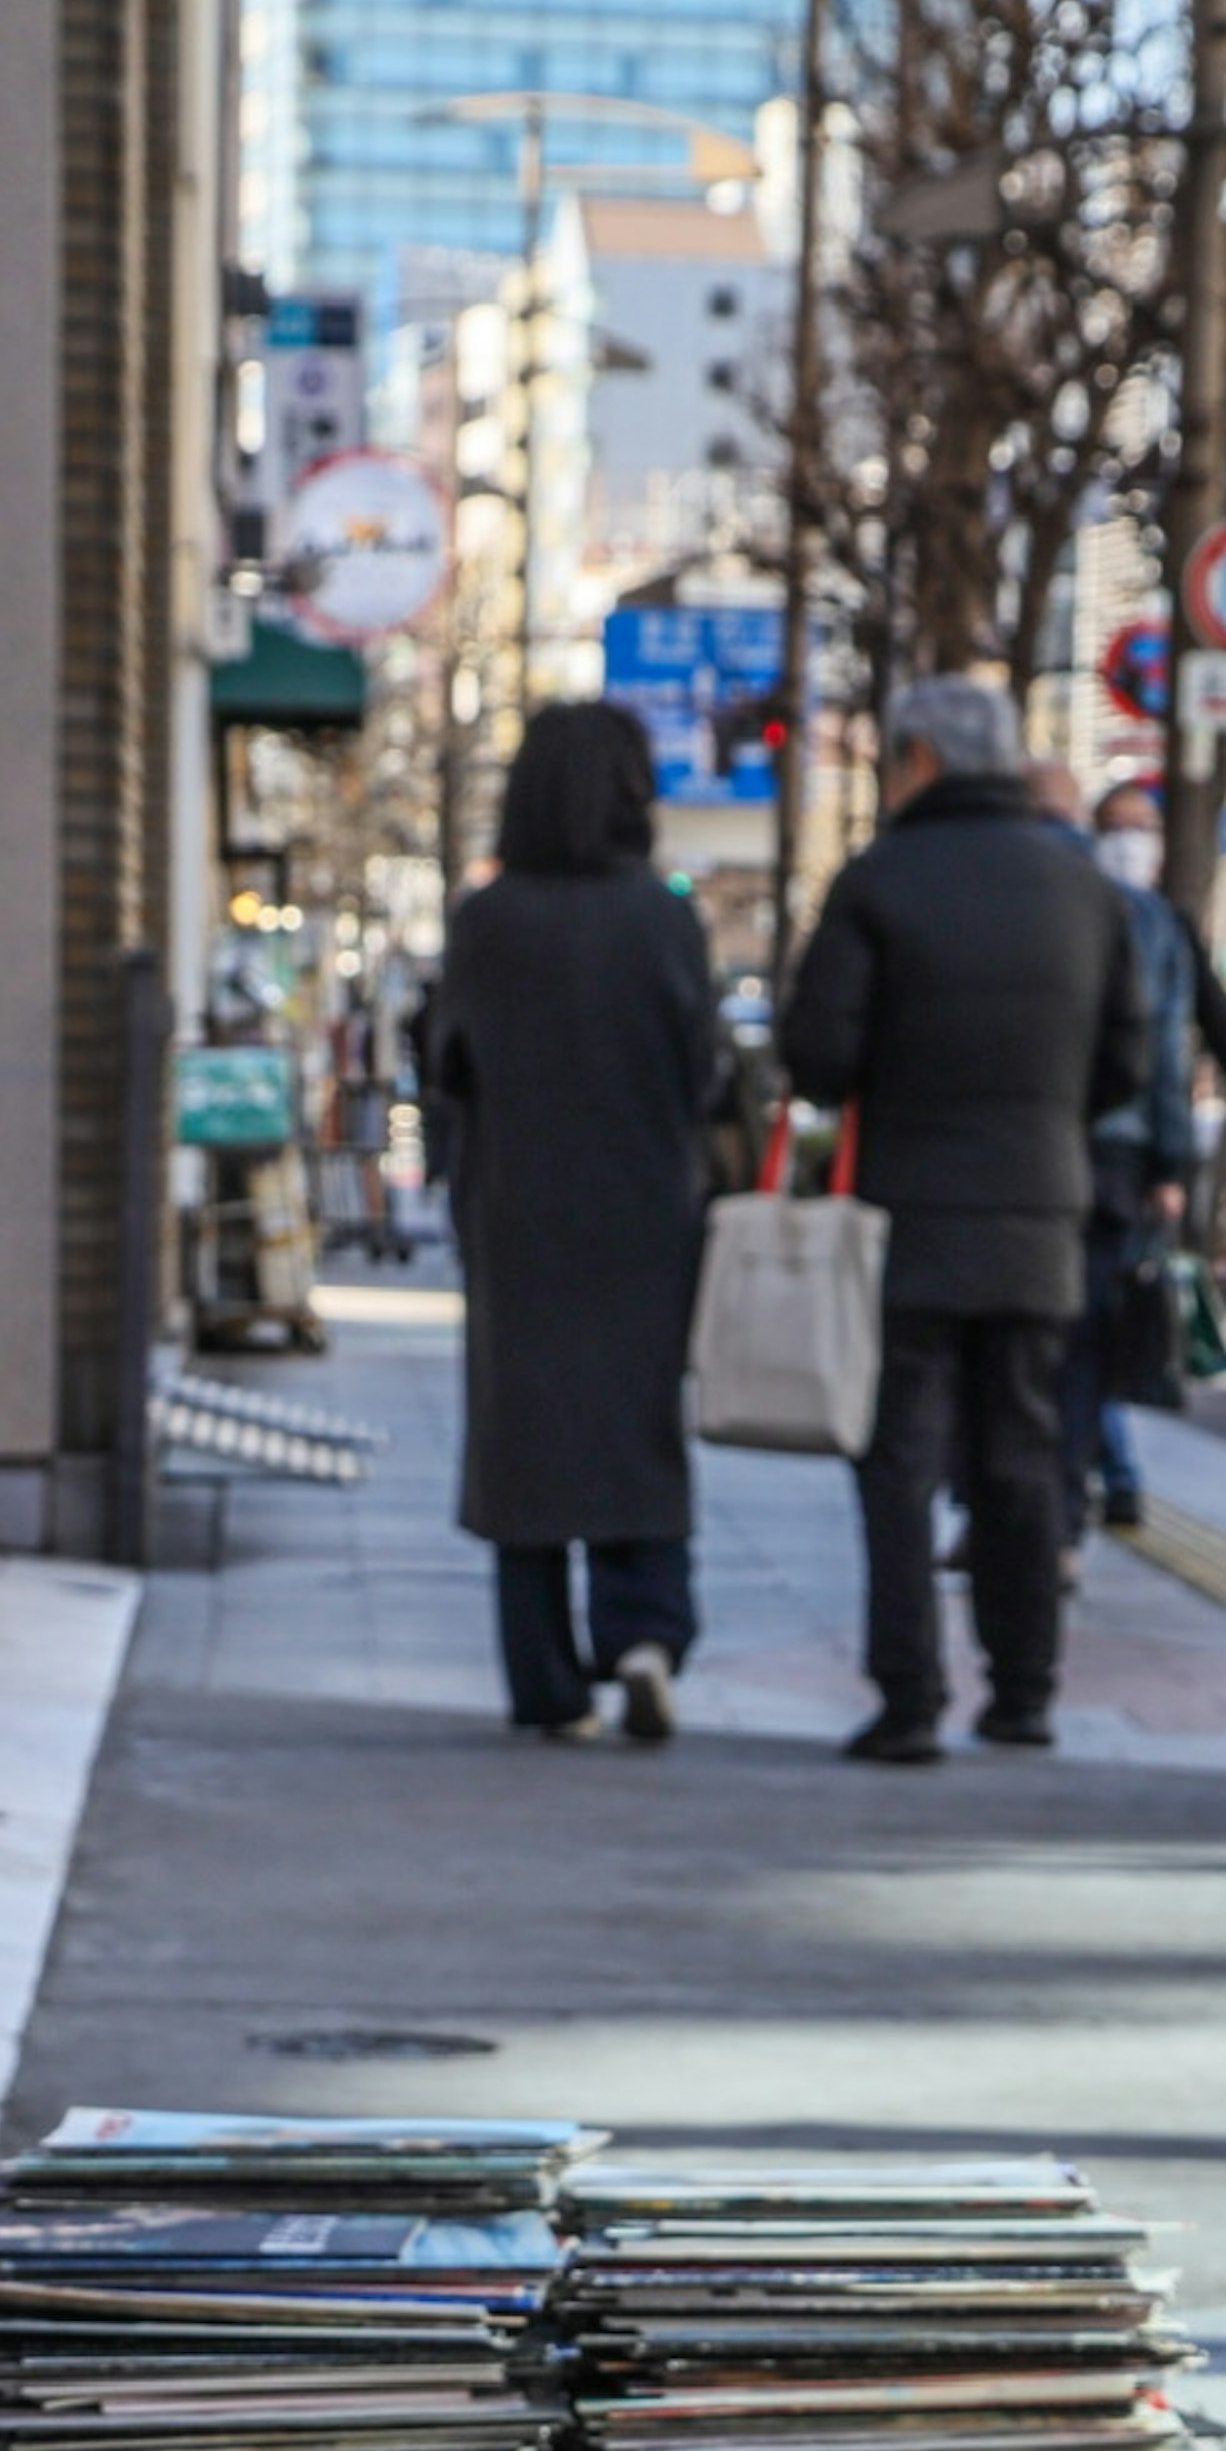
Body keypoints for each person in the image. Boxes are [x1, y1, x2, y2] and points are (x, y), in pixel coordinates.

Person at [780, 673, 1144, 1759]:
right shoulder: (1083, 891)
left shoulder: (879, 882)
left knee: (896, 1457)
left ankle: (910, 1698)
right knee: (1023, 1454)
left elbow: (820, 1058)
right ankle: (1025, 1692)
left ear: (920, 762)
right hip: (1041, 1215)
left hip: (909, 1218)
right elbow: (1126, 1064)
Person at [427, 695, 726, 1742]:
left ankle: (550, 1683)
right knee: (639, 1426)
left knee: (527, 1443)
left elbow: (446, 1064)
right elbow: (707, 1072)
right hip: (647, 1209)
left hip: (518, 1211)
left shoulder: (489, 920)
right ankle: (646, 1630)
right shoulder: (664, 916)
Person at [1054, 774, 1226, 1543]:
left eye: (1141, 828)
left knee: (1089, 1324)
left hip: (1114, 1154)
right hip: (1088, 1150)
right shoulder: (1100, 912)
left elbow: (1203, 1025)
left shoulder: (1159, 924)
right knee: (1084, 1326)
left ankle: (1087, 1485)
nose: (1130, 840)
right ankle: (1094, 1481)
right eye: (1116, 825)